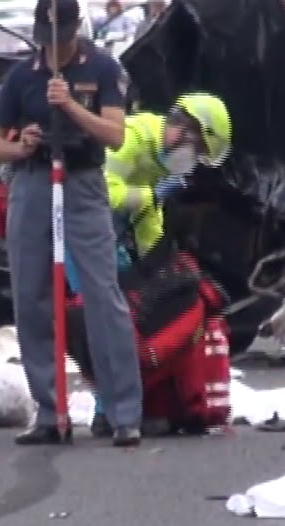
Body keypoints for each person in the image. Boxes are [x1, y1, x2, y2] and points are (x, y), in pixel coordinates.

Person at [0, 0, 144, 447]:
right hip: (32, 182)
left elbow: (115, 135)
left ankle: (123, 411)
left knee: (101, 293)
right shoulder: (22, 75)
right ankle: (51, 412)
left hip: (82, 182)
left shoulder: (103, 69)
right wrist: (21, 146)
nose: (53, 48)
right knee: (29, 296)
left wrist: (70, 106)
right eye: (46, 38)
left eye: (61, 38)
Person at [87, 94, 232, 436]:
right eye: (197, 150)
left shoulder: (158, 159)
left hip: (107, 234)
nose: (193, 160)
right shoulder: (130, 139)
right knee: (105, 317)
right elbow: (101, 192)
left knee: (123, 317)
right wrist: (151, 196)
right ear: (185, 130)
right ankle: (107, 410)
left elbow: (148, 217)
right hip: (78, 231)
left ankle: (123, 405)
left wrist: (159, 264)